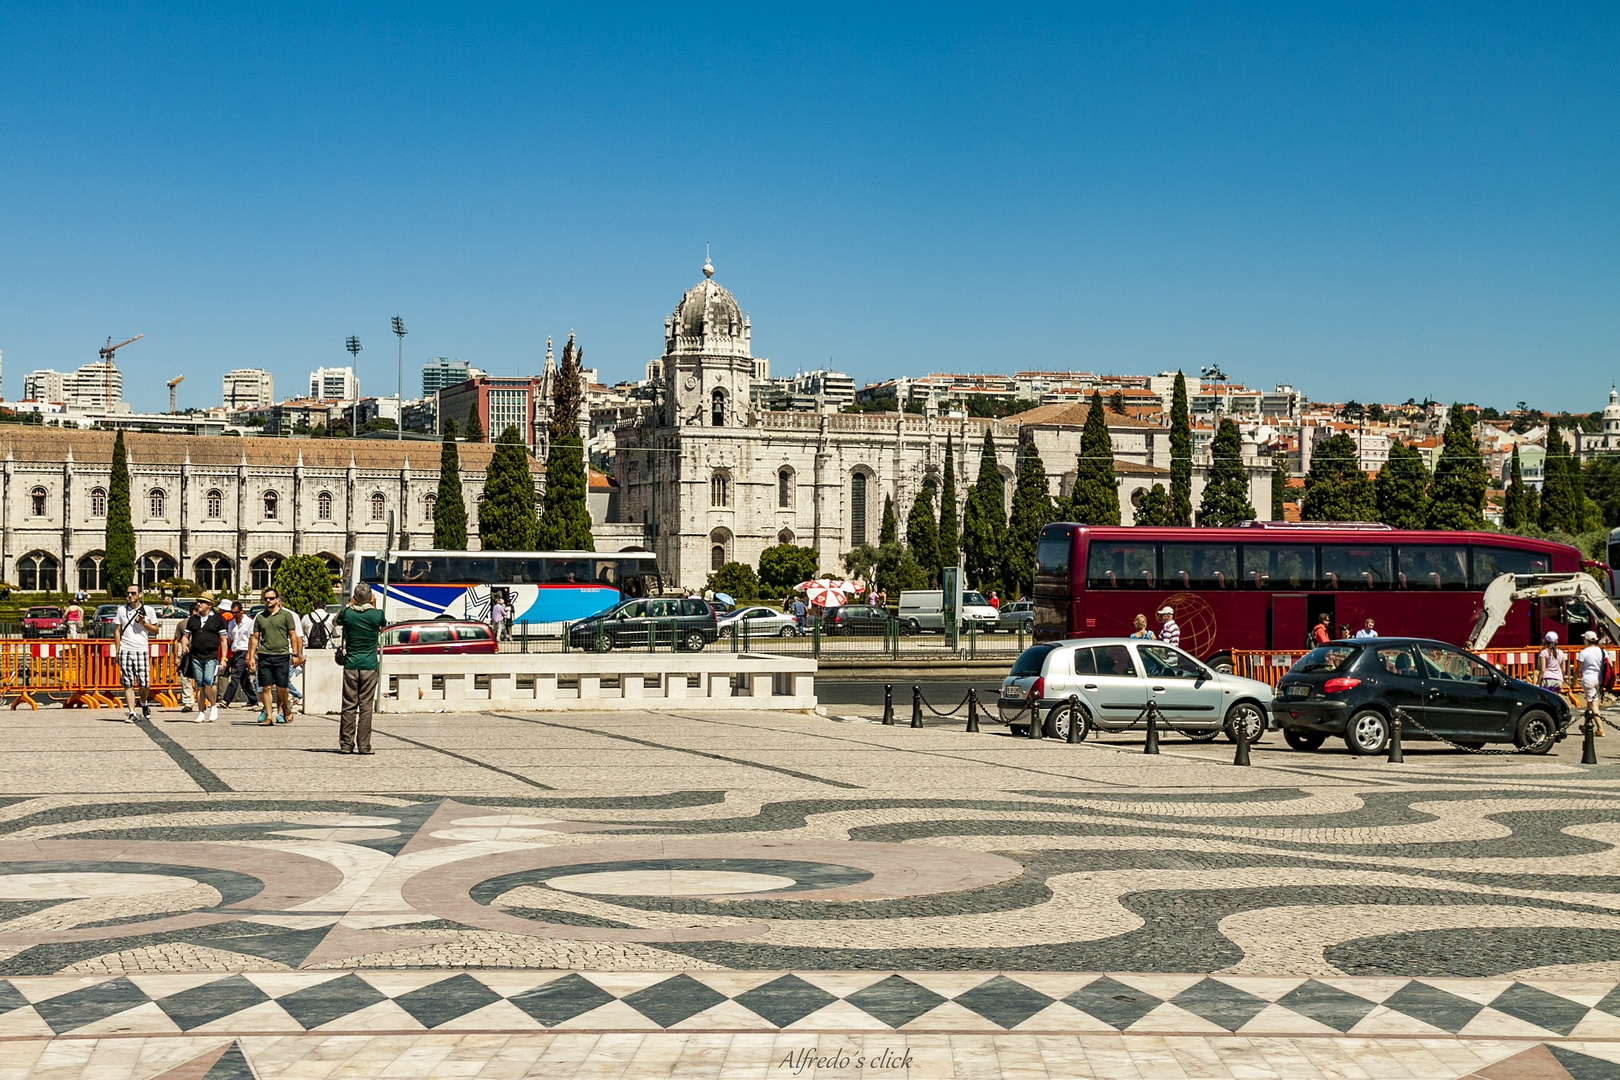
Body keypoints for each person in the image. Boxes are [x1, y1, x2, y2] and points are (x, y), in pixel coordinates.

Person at [335, 583, 387, 755]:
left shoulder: (347, 613)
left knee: (349, 706)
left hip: (351, 665)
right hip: (370, 666)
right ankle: (364, 746)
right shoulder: (377, 614)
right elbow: (382, 628)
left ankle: (346, 744)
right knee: (365, 707)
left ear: (355, 597)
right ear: (371, 597)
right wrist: (374, 605)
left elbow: (335, 621)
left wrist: (349, 605)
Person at [248, 588, 303, 727]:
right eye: (266, 598)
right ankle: (268, 716)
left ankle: (285, 707)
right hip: (264, 655)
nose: (268, 601)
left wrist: (296, 654)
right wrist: (251, 656)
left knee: (282, 687)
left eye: (271, 598)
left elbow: (293, 635)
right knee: (265, 687)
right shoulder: (260, 617)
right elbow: (255, 637)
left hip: (282, 655)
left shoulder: (286, 616)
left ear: (277, 599)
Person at [177, 593, 229, 723]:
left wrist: (224, 658)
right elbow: (185, 636)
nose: (199, 604)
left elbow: (223, 640)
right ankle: (201, 711)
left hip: (211, 655)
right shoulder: (193, 619)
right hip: (196, 656)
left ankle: (213, 706)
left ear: (210, 604)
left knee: (209, 682)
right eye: (198, 601)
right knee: (199, 685)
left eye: (202, 602)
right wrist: (184, 645)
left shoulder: (218, 619)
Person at [115, 585, 160, 724]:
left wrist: (143, 623)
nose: (130, 595)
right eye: (128, 593)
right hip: (126, 649)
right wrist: (117, 650)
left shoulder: (148, 610)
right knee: (127, 683)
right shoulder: (121, 610)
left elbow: (156, 630)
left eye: (133, 593)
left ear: (140, 594)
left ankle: (143, 702)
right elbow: (117, 630)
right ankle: (132, 712)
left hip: (141, 649)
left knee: (144, 683)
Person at [221, 602, 256, 708]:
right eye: (232, 612)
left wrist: (250, 654)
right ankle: (253, 699)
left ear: (241, 611)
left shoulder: (249, 622)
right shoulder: (232, 623)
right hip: (236, 651)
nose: (234, 615)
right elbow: (229, 637)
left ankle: (226, 699)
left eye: (236, 612)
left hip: (245, 650)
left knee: (235, 675)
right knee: (243, 677)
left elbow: (252, 639)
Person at [1577, 630, 1607, 737]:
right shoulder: (1601, 651)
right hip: (1598, 680)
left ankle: (1600, 729)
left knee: (1593, 706)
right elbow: (1610, 664)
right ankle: (1585, 726)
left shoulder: (1584, 652)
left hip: (1588, 680)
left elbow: (1579, 669)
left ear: (1587, 640)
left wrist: (1573, 681)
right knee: (1590, 704)